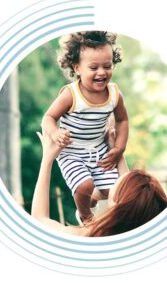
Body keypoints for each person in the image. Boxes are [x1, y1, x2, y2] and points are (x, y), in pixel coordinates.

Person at [42, 31, 129, 224]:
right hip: (71, 152)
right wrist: (55, 132)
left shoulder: (115, 94)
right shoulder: (71, 94)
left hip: (99, 151)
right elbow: (48, 117)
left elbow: (122, 120)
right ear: (77, 68)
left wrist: (118, 148)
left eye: (107, 66)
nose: (101, 72)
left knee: (115, 193)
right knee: (84, 186)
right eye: (93, 67)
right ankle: (85, 215)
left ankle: (96, 199)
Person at [31, 130, 167, 237]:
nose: (114, 180)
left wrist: (47, 158)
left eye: (115, 184)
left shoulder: (91, 236)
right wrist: (115, 150)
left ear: (117, 206)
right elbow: (130, 196)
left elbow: (39, 219)